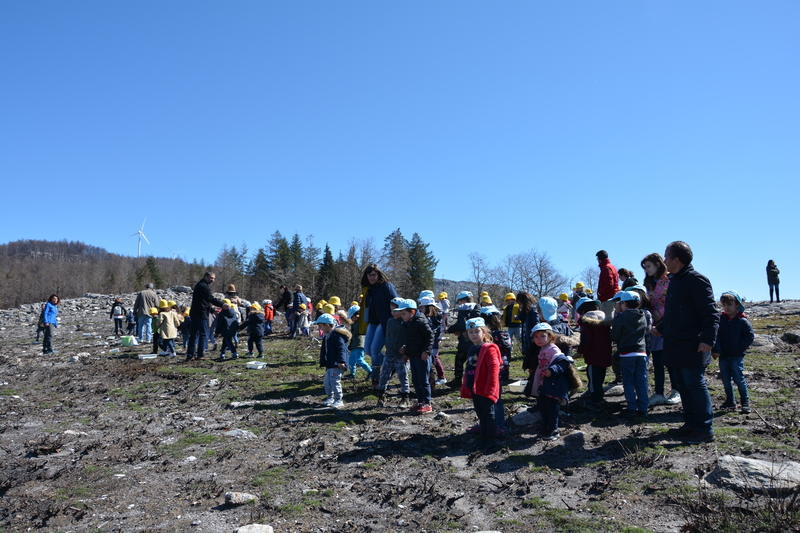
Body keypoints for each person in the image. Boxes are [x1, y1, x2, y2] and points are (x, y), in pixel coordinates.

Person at [653, 241, 719, 444]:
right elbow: (673, 313)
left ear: (676, 259)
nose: (664, 260)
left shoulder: (696, 280)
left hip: (693, 344)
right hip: (675, 344)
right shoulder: (674, 281)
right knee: (682, 385)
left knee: (694, 384)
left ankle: (704, 428)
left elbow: (710, 313)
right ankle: (690, 424)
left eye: (666, 256)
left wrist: (708, 340)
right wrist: (660, 328)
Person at [641, 252, 680, 407]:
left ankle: (676, 391)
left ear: (658, 264)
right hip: (654, 326)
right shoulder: (649, 283)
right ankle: (658, 393)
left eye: (649, 266)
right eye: (645, 267)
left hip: (669, 325)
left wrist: (661, 313)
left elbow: (675, 301)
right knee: (657, 360)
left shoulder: (670, 280)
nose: (646, 270)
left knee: (671, 360)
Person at [460, 317, 503, 442]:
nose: (474, 334)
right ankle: (483, 437)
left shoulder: (489, 348)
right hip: (475, 387)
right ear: (467, 334)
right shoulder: (472, 349)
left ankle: (490, 440)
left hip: (485, 387)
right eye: (471, 332)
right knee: (481, 414)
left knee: (489, 415)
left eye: (477, 331)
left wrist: (490, 388)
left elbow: (494, 369)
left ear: (483, 332)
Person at [712, 291, 754, 414]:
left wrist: (739, 348)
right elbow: (716, 336)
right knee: (725, 379)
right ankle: (730, 400)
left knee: (739, 379)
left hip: (736, 356)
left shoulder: (742, 321)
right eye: (724, 305)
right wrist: (717, 350)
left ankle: (745, 401)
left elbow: (749, 336)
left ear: (737, 304)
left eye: (729, 304)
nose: (726, 307)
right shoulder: (721, 319)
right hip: (724, 356)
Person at [610, 291, 649, 418]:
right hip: (642, 352)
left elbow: (615, 336)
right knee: (641, 380)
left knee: (628, 380)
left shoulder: (620, 318)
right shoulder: (643, 315)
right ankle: (643, 408)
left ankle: (631, 407)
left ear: (624, 303)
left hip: (627, 353)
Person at [531, 323, 570, 441]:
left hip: (553, 384)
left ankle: (553, 429)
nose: (539, 339)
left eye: (542, 336)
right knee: (542, 405)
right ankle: (545, 425)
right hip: (544, 384)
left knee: (551, 407)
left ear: (550, 337)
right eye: (536, 337)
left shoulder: (553, 349)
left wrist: (552, 371)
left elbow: (563, 363)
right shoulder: (542, 349)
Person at [361, 264, 399, 386]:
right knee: (367, 350)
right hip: (372, 322)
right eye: (369, 275)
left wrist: (396, 319)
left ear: (378, 274)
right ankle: (392, 365)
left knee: (374, 350)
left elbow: (396, 302)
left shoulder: (387, 287)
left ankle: (376, 375)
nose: (371, 277)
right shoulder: (368, 289)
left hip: (384, 322)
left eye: (374, 275)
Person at [397, 299, 436, 413]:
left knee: (423, 381)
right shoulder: (408, 323)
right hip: (413, 356)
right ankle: (420, 401)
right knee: (416, 380)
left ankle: (427, 403)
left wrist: (427, 351)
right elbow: (411, 340)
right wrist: (406, 352)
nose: (402, 316)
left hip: (422, 357)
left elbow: (430, 336)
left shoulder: (420, 321)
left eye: (404, 314)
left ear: (412, 312)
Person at [575, 297, 612, 412]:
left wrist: (580, 351)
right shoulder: (604, 319)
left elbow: (586, 339)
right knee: (600, 375)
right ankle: (598, 394)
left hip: (593, 355)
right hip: (605, 353)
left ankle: (596, 400)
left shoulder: (587, 322)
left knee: (592, 375)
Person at [376, 298, 411, 407]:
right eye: (391, 310)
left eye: (395, 310)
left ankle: (405, 398)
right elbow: (388, 335)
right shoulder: (390, 321)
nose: (393, 313)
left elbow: (409, 338)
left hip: (401, 355)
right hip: (389, 353)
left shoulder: (406, 323)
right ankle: (381, 396)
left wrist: (406, 348)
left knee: (403, 375)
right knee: (384, 375)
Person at [186, 272, 224, 361]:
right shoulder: (203, 286)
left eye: (214, 278)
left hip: (195, 313)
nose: (212, 280)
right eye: (211, 278)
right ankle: (200, 354)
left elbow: (203, 302)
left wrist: (211, 310)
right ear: (205, 277)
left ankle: (190, 355)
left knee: (193, 335)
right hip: (201, 314)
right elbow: (209, 298)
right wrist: (222, 304)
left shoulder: (200, 285)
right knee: (203, 334)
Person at [446, 291, 481, 387]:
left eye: (459, 302)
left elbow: (461, 324)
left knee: (459, 361)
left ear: (463, 300)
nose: (459, 304)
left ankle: (458, 380)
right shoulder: (478, 308)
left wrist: (450, 330)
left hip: (465, 342)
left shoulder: (464, 309)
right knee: (475, 363)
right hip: (477, 340)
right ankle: (475, 381)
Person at [315, 313, 350, 409]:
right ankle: (330, 397)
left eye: (320, 326)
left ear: (327, 325)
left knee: (335, 382)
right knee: (328, 382)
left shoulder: (337, 336)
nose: (319, 328)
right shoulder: (327, 336)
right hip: (330, 363)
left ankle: (338, 400)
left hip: (337, 364)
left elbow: (342, 349)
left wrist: (341, 361)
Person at [343, 305, 373, 380]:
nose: (351, 319)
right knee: (351, 360)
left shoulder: (361, 323)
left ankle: (370, 371)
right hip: (354, 345)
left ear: (356, 315)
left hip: (359, 344)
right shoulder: (355, 324)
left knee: (359, 359)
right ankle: (352, 374)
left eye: (351, 317)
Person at [596, 250, 619, 319]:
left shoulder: (606, 268)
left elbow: (609, 284)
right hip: (612, 298)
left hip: (607, 299)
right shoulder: (612, 267)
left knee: (607, 322)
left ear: (599, 259)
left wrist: (600, 292)